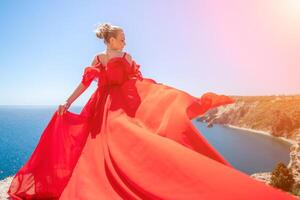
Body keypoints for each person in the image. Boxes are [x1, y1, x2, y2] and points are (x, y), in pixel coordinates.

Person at [7, 23, 298, 200]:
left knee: (128, 142)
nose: (125, 41)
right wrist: (68, 103)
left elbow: (136, 82)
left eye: (124, 38)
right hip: (101, 107)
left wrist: (156, 93)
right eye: (122, 37)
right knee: (95, 150)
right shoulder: (98, 57)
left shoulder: (128, 57)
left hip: (122, 105)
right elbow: (85, 84)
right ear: (110, 40)